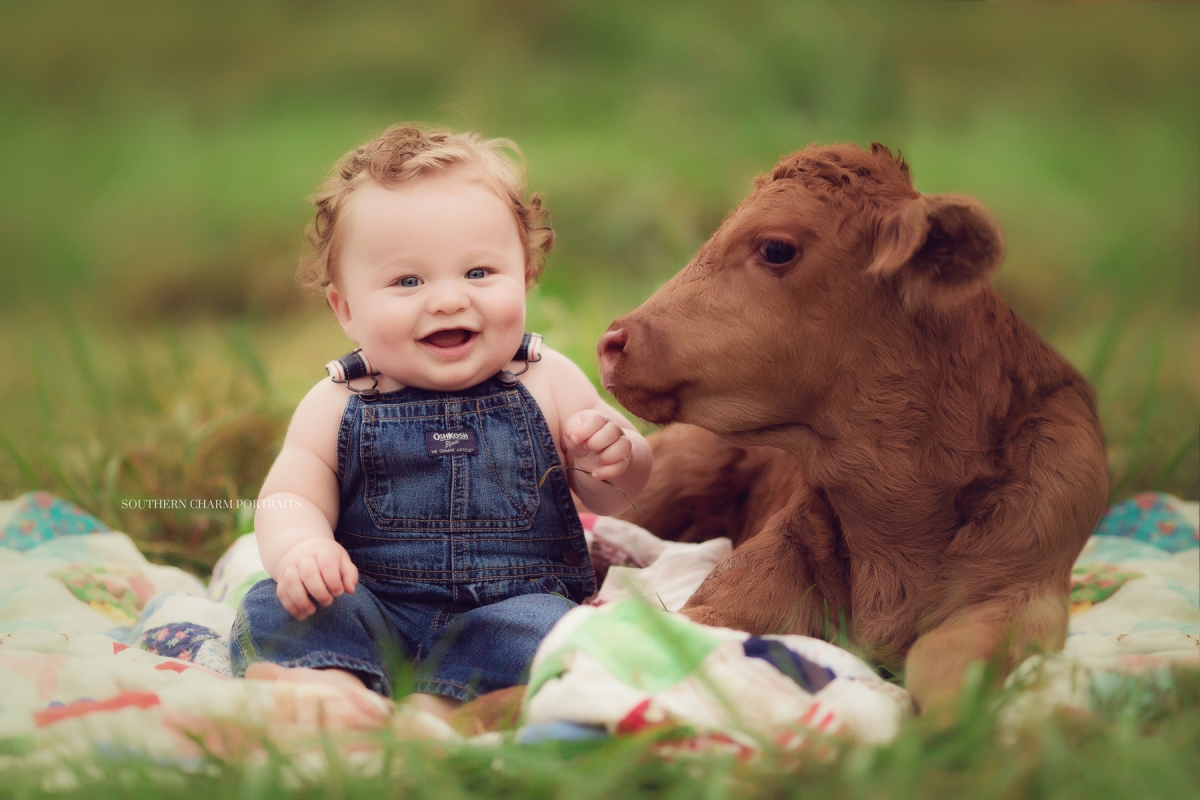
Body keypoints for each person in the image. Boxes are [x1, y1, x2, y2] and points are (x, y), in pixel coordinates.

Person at [231, 125, 652, 727]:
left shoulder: (548, 379)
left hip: (510, 605)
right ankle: (328, 685)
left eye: (479, 272)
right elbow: (288, 495)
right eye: (408, 281)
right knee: (280, 604)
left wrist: (616, 457)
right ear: (345, 309)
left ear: (527, 276)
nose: (450, 300)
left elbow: (618, 500)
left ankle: (441, 709)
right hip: (371, 602)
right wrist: (303, 547)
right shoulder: (337, 399)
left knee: (552, 626)